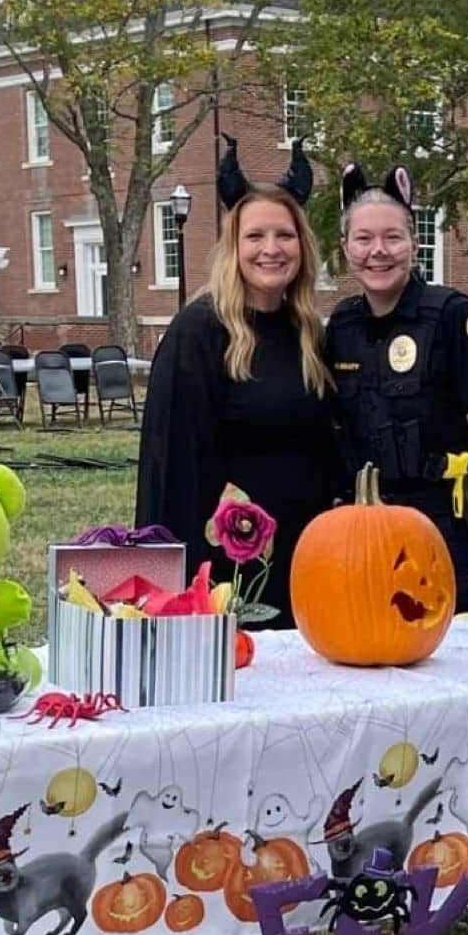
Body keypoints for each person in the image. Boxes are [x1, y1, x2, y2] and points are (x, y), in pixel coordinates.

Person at [135, 139, 337, 624]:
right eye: (255, 236)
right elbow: (171, 468)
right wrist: (175, 585)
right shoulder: (199, 331)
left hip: (308, 559)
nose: (271, 249)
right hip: (228, 564)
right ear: (234, 246)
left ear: (302, 246)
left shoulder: (309, 332)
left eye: (284, 236)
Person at [325, 162, 468, 612]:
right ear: (345, 247)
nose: (378, 251)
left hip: (446, 529)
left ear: (413, 242)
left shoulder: (451, 315)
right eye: (364, 239)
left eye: (392, 237)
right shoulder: (341, 326)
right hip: (367, 531)